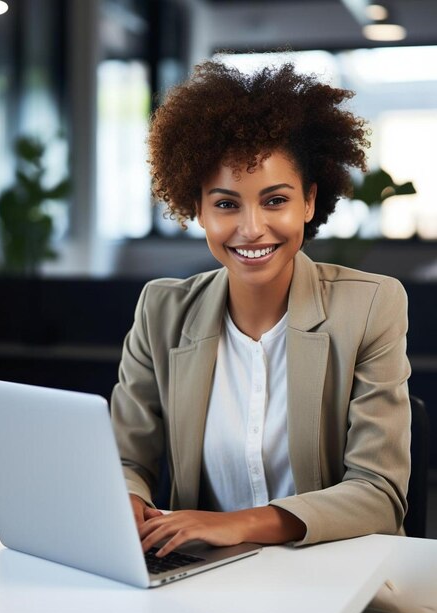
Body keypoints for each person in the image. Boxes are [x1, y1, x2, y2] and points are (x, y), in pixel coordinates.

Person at [111, 59, 411, 559]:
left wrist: (236, 525)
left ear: (310, 202)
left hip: (333, 573)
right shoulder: (161, 311)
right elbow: (125, 458)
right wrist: (127, 497)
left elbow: (378, 494)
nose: (251, 228)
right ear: (198, 209)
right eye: (226, 204)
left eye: (275, 200)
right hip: (206, 577)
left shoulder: (371, 306)